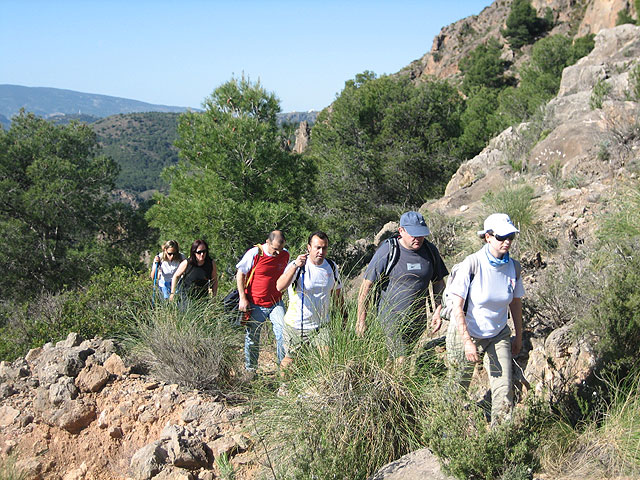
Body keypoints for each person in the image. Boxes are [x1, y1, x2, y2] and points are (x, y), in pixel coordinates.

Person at [445, 213, 524, 425]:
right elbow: (457, 306)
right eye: (501, 237)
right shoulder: (471, 264)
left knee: (503, 390)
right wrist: (467, 342)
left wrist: (518, 336)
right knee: (457, 386)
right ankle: (446, 434)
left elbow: (515, 303)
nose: (507, 241)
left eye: (511, 237)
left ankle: (500, 441)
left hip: (497, 333)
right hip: (466, 332)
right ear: (488, 237)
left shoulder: (513, 267)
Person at [356, 211, 448, 358]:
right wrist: (361, 320)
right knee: (401, 357)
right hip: (390, 318)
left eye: (421, 234)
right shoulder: (388, 250)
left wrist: (438, 310)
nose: (418, 238)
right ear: (401, 231)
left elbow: (438, 282)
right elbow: (366, 286)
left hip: (417, 319)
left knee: (401, 358)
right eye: (414, 234)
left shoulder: (430, 251)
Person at [277, 231, 345, 369]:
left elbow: (337, 293)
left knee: (327, 357)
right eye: (317, 247)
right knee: (290, 361)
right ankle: (283, 388)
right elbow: (279, 286)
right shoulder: (298, 266)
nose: (321, 251)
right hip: (297, 325)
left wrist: (344, 315)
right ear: (309, 248)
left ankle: (322, 388)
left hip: (321, 325)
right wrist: (295, 265)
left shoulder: (331, 267)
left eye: (324, 248)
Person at [236, 230, 290, 372]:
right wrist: (242, 298)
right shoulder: (255, 253)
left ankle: (282, 371)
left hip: (275, 302)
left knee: (282, 333)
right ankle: (251, 370)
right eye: (275, 249)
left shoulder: (285, 254)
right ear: (267, 242)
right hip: (255, 303)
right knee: (252, 338)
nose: (277, 253)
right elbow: (240, 274)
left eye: (281, 249)